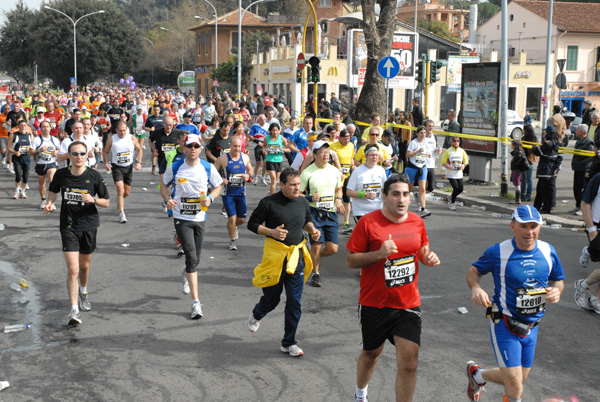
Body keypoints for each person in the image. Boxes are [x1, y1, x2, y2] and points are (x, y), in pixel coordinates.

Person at [346, 174, 440, 402]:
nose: (401, 199)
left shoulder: (417, 222)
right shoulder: (368, 223)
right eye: (396, 194)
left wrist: (428, 258)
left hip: (407, 304)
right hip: (374, 303)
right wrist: (379, 254)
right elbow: (350, 260)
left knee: (410, 364)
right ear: (384, 197)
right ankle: (360, 393)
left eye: (406, 194)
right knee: (372, 354)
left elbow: (422, 250)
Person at [465, 205, 565, 402]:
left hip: (532, 326)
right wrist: (476, 288)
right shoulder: (498, 252)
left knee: (520, 378)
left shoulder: (547, 251)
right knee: (515, 386)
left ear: (540, 227)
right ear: (512, 226)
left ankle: (478, 375)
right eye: (523, 226)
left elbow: (558, 280)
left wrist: (557, 290)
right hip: (502, 321)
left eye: (534, 226)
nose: (529, 232)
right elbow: (473, 272)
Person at [246, 167, 321, 357]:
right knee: (272, 299)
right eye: (293, 185)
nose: (297, 188)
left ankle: (289, 343)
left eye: (299, 184)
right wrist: (272, 232)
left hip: (296, 258)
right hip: (275, 258)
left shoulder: (303, 201)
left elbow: (307, 220)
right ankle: (257, 313)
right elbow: (252, 224)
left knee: (294, 302)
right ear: (282, 185)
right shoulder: (269, 203)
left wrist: (312, 230)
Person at [44, 140, 110, 326]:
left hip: (89, 225)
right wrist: (50, 203)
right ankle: (74, 309)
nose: (79, 157)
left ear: (87, 154)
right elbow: (53, 191)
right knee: (73, 268)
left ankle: (84, 291)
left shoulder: (94, 176)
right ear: (69, 156)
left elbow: (106, 201)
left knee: (84, 266)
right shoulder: (61, 174)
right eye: (75, 154)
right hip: (68, 225)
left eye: (82, 153)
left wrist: (94, 200)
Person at [160, 134, 223, 319]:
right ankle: (196, 303)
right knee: (190, 255)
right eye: (189, 146)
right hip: (181, 217)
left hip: (200, 216)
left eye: (196, 146)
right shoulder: (177, 166)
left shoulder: (207, 167)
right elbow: (163, 186)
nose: (193, 149)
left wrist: (211, 197)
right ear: (184, 147)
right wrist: (167, 200)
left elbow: (218, 186)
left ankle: (186, 270)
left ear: (200, 148)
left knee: (195, 259)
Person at [300, 140, 344, 288]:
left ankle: (312, 258)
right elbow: (297, 194)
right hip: (314, 213)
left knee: (333, 248)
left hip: (330, 213)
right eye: (321, 152)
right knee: (317, 245)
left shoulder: (335, 171)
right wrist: (310, 198)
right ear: (314, 155)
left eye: (327, 152)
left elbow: (339, 189)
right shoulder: (307, 173)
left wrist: (338, 200)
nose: (325, 155)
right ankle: (315, 274)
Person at [214, 136, 254, 251]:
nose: (237, 149)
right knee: (232, 218)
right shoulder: (222, 159)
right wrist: (221, 179)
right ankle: (232, 241)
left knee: (241, 219)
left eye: (239, 146)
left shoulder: (245, 158)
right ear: (230, 146)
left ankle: (233, 227)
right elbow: (212, 173)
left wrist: (248, 175)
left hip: (241, 192)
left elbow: (250, 170)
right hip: (228, 194)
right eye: (235, 146)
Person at [103, 121, 143, 223]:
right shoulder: (112, 139)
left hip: (128, 167)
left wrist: (139, 162)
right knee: (120, 189)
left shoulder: (132, 138)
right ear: (116, 130)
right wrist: (106, 163)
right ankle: (122, 214)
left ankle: (119, 199)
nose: (122, 133)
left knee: (126, 192)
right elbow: (106, 151)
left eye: (124, 130)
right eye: (120, 131)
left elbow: (139, 149)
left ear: (127, 130)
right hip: (116, 167)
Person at [575, 172, 600, 314]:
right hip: (596, 227)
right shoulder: (598, 179)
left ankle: (595, 298)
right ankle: (582, 286)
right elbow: (584, 203)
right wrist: (591, 229)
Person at [346, 144, 387, 221]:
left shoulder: (381, 170)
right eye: (371, 155)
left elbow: (386, 189)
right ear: (366, 156)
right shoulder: (357, 171)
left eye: (376, 155)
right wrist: (364, 194)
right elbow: (349, 192)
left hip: (377, 210)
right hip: (361, 212)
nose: (374, 157)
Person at [29, 120, 60, 208]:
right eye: (44, 127)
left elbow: (60, 149)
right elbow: (30, 152)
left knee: (52, 182)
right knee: (42, 184)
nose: (46, 128)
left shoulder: (54, 139)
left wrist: (56, 151)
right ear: (41, 128)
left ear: (50, 128)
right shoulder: (37, 140)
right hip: (40, 164)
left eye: (47, 126)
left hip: (51, 163)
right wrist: (39, 150)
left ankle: (51, 202)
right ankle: (43, 200)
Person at [330, 129, 356, 232]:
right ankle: (332, 220)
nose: (346, 141)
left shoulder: (351, 146)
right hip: (335, 176)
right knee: (334, 198)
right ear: (339, 138)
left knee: (347, 200)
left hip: (347, 175)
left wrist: (352, 164)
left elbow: (351, 158)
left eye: (348, 138)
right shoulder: (333, 147)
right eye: (344, 138)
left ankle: (346, 223)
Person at [532, 126, 562, 214]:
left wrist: (535, 146)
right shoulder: (558, 142)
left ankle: (546, 208)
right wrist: (557, 167)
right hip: (550, 170)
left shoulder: (548, 144)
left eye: (546, 132)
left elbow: (537, 151)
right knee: (545, 189)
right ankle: (538, 207)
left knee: (544, 190)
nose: (545, 134)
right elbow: (560, 156)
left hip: (545, 170)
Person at [405, 126, 432, 218]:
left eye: (424, 133)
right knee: (409, 188)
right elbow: (407, 154)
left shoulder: (425, 142)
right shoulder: (413, 143)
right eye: (421, 133)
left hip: (422, 167)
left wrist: (428, 154)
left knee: (423, 189)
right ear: (417, 134)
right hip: (412, 167)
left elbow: (426, 151)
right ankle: (404, 208)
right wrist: (417, 151)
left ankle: (423, 209)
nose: (423, 135)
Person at [570, 124, 594, 215]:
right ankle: (577, 205)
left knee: (582, 189)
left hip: (584, 169)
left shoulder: (588, 142)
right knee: (576, 188)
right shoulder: (579, 140)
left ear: (582, 132)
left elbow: (591, 156)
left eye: (577, 131)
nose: (575, 132)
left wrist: (582, 163)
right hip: (577, 168)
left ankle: (582, 208)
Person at [7, 120, 34, 199]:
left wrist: (30, 149)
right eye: (21, 125)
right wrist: (15, 152)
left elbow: (33, 147)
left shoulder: (29, 135)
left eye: (24, 125)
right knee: (18, 175)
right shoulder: (14, 135)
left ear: (27, 126)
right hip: (17, 158)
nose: (23, 127)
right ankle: (16, 192)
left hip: (26, 158)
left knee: (25, 177)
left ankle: (23, 191)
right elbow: (8, 147)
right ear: (18, 126)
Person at [441, 135, 468, 211]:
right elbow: (443, 162)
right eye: (454, 141)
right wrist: (448, 166)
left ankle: (452, 196)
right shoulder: (448, 151)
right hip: (451, 174)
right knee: (455, 187)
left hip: (459, 173)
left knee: (460, 189)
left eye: (458, 141)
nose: (456, 142)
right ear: (451, 142)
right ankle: (452, 203)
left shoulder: (461, 151)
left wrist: (464, 165)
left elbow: (466, 160)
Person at [263, 123, 290, 195]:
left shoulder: (281, 138)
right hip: (270, 160)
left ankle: (271, 193)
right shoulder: (267, 138)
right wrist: (264, 150)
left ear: (279, 131)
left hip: (278, 161)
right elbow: (264, 147)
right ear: (270, 131)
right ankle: (272, 196)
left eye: (276, 130)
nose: (275, 132)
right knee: (273, 179)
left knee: (276, 180)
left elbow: (289, 149)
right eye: (273, 130)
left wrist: (283, 150)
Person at [248, 114, 270, 185]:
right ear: (258, 120)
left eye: (264, 120)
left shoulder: (268, 126)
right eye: (261, 120)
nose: (263, 121)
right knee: (258, 162)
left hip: (265, 146)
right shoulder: (255, 126)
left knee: (266, 162)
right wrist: (257, 142)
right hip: (257, 146)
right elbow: (250, 136)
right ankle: (256, 177)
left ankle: (263, 177)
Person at [509, 140, 529, 205]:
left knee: (517, 184)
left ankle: (518, 199)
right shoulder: (517, 153)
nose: (511, 146)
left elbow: (522, 159)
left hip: (516, 170)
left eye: (512, 145)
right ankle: (517, 198)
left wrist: (517, 164)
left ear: (515, 146)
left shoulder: (518, 153)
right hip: (515, 170)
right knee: (515, 183)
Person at [520, 124, 537, 202]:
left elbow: (535, 152)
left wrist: (530, 160)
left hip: (529, 161)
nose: (522, 131)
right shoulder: (523, 138)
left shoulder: (533, 139)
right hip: (523, 161)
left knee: (528, 178)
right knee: (523, 179)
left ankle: (528, 195)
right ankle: (522, 195)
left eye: (523, 129)